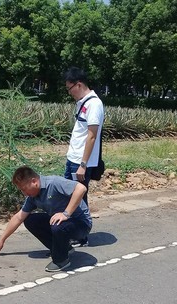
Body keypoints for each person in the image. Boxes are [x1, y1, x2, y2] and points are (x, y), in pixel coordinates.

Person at [0, 166, 92, 272]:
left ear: (34, 181)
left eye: (24, 189)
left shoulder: (53, 183)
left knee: (58, 226)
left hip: (81, 224)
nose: (24, 193)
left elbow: (81, 188)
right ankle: (64, 249)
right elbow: (18, 217)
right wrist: (2, 240)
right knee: (30, 220)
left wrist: (66, 214)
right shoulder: (32, 197)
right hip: (64, 224)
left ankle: (61, 261)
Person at [63, 67, 104, 246]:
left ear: (78, 84)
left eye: (69, 88)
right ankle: (74, 231)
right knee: (71, 196)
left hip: (80, 162)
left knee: (79, 197)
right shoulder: (83, 102)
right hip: (73, 158)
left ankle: (81, 236)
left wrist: (83, 164)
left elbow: (92, 135)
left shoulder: (94, 104)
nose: (69, 92)